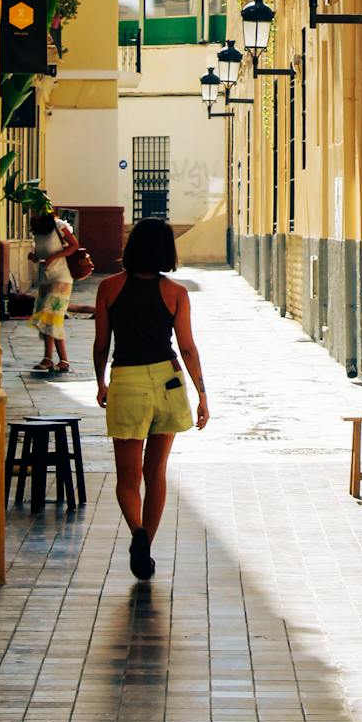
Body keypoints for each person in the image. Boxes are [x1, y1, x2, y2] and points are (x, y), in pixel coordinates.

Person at [93, 218, 209, 580]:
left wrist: (101, 382)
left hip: (127, 382)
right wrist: (203, 394)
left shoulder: (109, 288)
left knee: (127, 477)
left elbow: (101, 345)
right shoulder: (176, 292)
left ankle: (137, 533)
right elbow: (187, 347)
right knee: (155, 473)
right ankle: (148, 545)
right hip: (168, 382)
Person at [29, 206, 74, 374]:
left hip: (61, 279)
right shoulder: (37, 232)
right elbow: (41, 254)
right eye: (34, 211)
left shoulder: (58, 225)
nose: (35, 213)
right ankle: (61, 360)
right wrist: (35, 258)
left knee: (50, 317)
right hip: (46, 280)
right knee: (49, 320)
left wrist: (54, 257)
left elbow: (74, 246)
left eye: (38, 210)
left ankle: (50, 359)